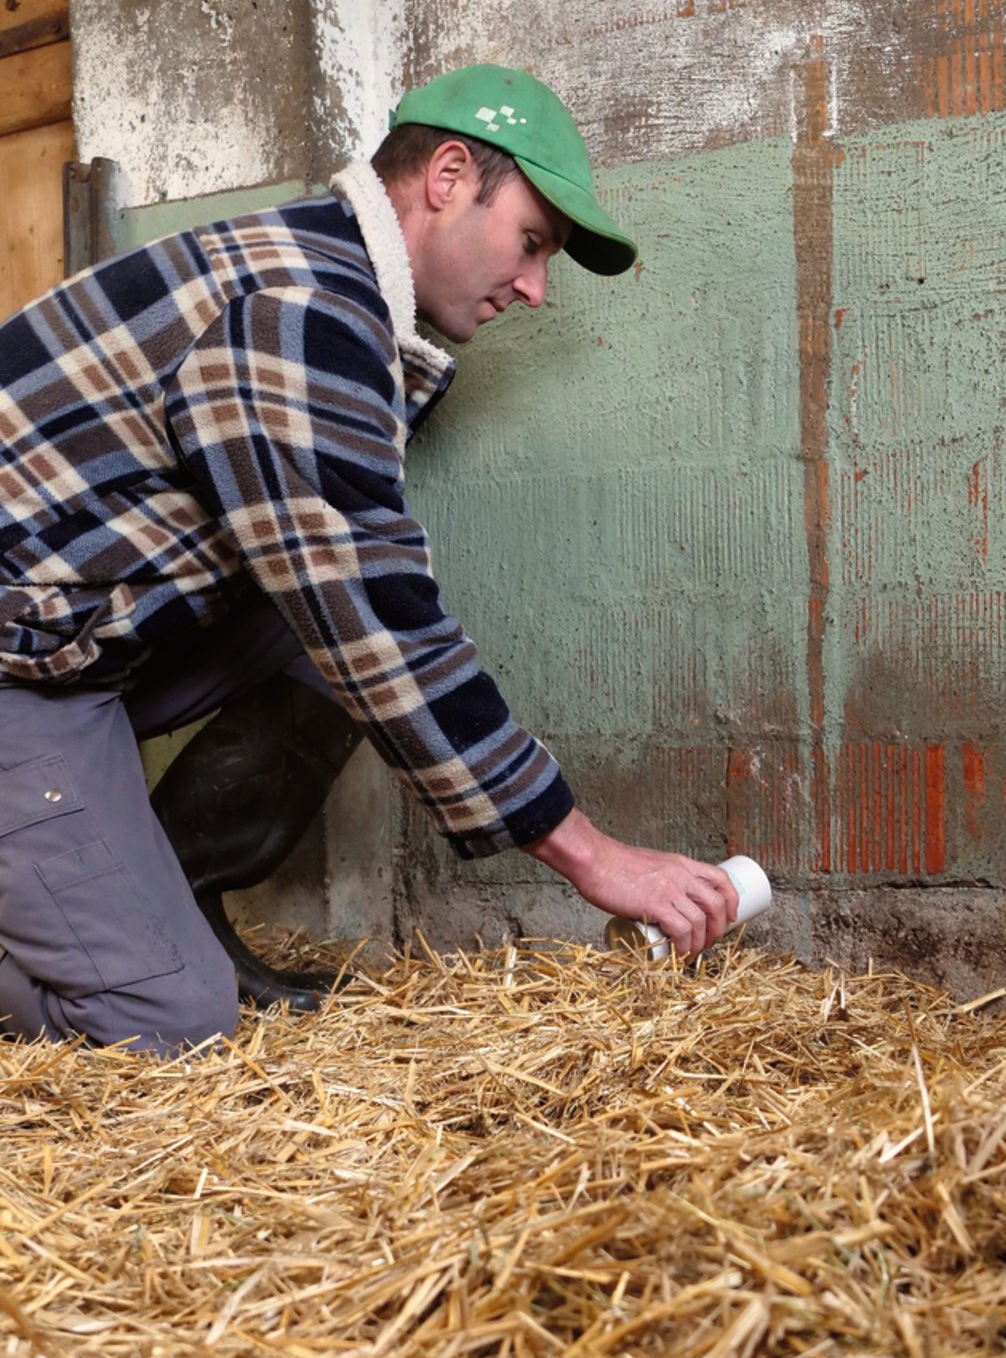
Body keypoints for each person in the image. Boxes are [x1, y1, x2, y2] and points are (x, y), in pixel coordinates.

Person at [0, 63, 737, 1053]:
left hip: (65, 641)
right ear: (444, 176)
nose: (533, 286)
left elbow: (358, 596)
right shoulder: (299, 307)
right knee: (166, 1018)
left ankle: (161, 898)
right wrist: (589, 853)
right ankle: (140, 960)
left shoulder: (337, 294)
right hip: (20, 671)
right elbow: (371, 617)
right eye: (530, 242)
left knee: (326, 629)